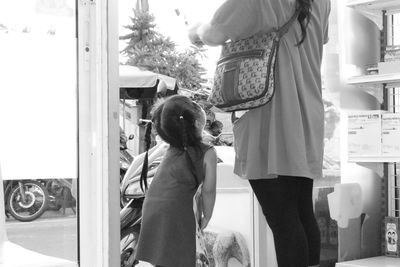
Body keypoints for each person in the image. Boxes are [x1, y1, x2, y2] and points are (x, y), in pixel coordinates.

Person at [189, 0, 330, 266]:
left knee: (283, 219)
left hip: (270, 118)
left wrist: (195, 30)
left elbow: (214, 33)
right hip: (306, 116)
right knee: (301, 212)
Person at [135, 95, 218, 267]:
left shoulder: (171, 149)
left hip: (153, 209)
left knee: (164, 256)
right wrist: (207, 215)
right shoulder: (208, 152)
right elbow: (209, 190)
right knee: (187, 257)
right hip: (179, 211)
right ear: (197, 123)